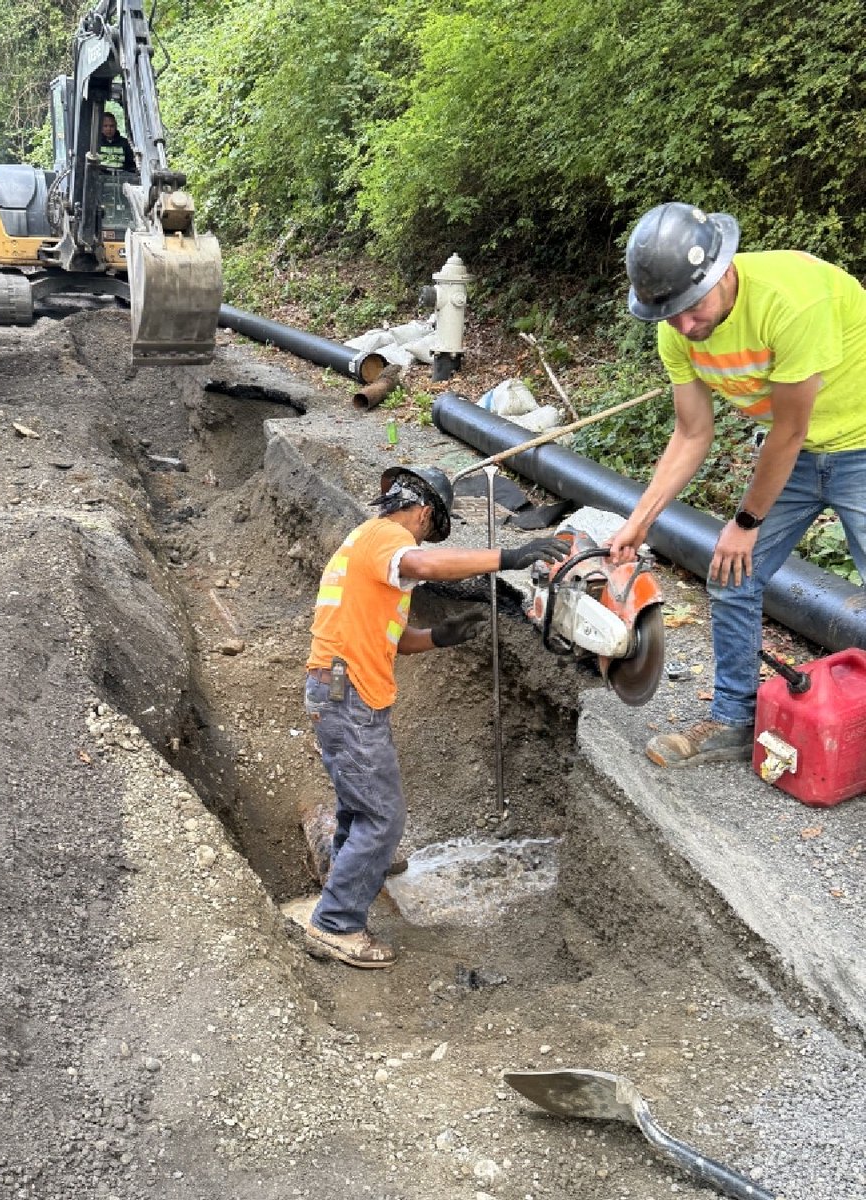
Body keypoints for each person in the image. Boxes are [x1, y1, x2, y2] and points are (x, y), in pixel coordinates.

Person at [610, 201, 866, 768]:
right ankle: (733, 718)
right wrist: (639, 521)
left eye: (691, 308)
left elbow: (790, 428)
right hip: (797, 453)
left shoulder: (792, 300)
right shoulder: (677, 327)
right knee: (732, 575)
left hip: (860, 443)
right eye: (669, 314)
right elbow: (691, 433)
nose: (684, 326)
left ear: (723, 270)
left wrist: (745, 522)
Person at [303, 465, 566, 968]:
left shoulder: (367, 549)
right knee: (383, 817)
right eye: (431, 529)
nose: (424, 539)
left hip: (345, 689)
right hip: (347, 692)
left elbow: (394, 640)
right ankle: (337, 923)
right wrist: (505, 558)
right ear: (423, 513)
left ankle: (351, 872)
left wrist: (440, 636)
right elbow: (421, 565)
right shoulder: (384, 535)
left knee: (364, 807)